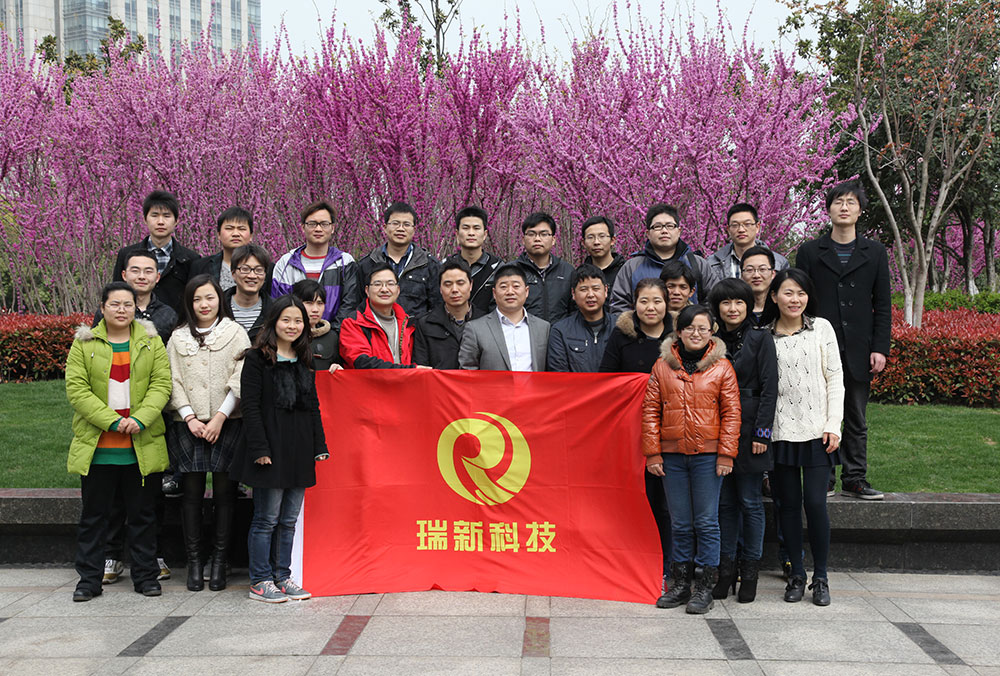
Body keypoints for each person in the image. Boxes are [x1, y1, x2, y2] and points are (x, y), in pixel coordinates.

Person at [66, 281, 171, 601]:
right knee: (94, 518)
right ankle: (88, 580)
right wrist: (112, 421)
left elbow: (162, 385)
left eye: (128, 304)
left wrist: (140, 419)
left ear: (135, 308)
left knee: (143, 517)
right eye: (115, 304)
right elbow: (77, 390)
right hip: (98, 448)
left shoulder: (152, 342)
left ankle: (146, 577)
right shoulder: (84, 344)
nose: (122, 310)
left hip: (141, 446)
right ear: (102, 307)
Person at [796, 181, 890, 500]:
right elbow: (800, 300)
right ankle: (824, 477)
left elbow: (883, 304)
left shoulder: (875, 252)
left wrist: (879, 348)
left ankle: (855, 477)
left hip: (859, 348)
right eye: (838, 202)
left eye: (851, 202)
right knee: (821, 414)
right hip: (818, 347)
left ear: (860, 210)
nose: (844, 207)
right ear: (829, 209)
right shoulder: (810, 252)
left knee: (856, 417)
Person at [642, 304, 740, 614]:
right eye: (689, 328)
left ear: (712, 331)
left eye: (702, 328)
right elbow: (650, 411)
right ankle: (681, 584)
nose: (696, 334)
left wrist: (726, 453)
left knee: (707, 523)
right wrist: (653, 452)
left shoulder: (722, 367)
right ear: (679, 331)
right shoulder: (662, 366)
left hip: (708, 457)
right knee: (681, 522)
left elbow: (732, 413)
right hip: (672, 456)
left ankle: (705, 587)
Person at [230, 296, 329, 603]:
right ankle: (260, 581)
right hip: (269, 449)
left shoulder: (304, 358)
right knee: (266, 519)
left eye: (298, 321)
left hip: (299, 450)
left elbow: (312, 406)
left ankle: (282, 576)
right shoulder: (257, 359)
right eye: (286, 320)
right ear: (273, 322)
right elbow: (250, 407)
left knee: (288, 520)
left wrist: (319, 445)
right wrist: (259, 448)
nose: (292, 326)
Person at [92, 250, 176, 584]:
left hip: (150, 416)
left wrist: (144, 414)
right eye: (135, 270)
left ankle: (152, 556)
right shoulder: (107, 313)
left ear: (158, 277)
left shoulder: (167, 314)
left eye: (149, 271)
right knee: (112, 494)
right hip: (109, 417)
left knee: (150, 492)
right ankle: (111, 554)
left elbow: (162, 374)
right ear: (124, 274)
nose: (142, 276)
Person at [763, 268, 844, 606]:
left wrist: (833, 424)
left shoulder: (821, 328)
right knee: (788, 506)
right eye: (788, 292)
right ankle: (796, 573)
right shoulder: (764, 335)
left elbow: (835, 378)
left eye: (801, 293)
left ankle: (821, 577)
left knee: (815, 503)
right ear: (774, 297)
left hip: (817, 433)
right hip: (781, 433)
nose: (795, 299)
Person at [165, 274, 250, 592]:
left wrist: (219, 418)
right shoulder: (178, 337)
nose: (204, 304)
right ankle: (194, 562)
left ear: (220, 300)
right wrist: (189, 417)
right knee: (191, 494)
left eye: (210, 297)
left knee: (226, 494)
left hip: (227, 422)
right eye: (197, 299)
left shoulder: (235, 333)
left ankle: (219, 562)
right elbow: (171, 379)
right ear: (189, 303)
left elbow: (241, 376)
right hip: (188, 424)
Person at [599, 277, 673, 590]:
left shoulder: (679, 336)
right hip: (630, 431)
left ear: (667, 303)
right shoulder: (622, 336)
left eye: (657, 301)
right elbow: (606, 381)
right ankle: (633, 562)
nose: (650, 307)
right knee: (634, 498)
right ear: (634, 304)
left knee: (666, 504)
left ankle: (668, 565)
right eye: (644, 301)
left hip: (672, 431)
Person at [707, 278, 777, 603]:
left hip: (752, 431)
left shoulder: (761, 338)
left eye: (739, 302)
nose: (732, 309)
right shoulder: (711, 340)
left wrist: (763, 432)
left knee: (750, 502)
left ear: (749, 306)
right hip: (717, 428)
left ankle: (750, 574)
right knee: (725, 504)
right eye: (726, 302)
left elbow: (771, 388)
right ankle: (725, 571)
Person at [610, 203, 719, 314]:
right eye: (658, 226)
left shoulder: (697, 264)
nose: (664, 231)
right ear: (648, 233)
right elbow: (619, 305)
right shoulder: (632, 267)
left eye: (670, 226)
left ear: (679, 231)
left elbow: (714, 300)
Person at [270, 200, 361, 330]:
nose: (318, 229)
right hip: (294, 335)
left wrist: (331, 334)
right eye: (312, 224)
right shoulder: (286, 263)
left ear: (332, 228)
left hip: (335, 336)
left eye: (324, 224)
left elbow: (350, 303)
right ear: (303, 227)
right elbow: (280, 304)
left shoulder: (344, 262)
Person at [112, 190, 199, 312]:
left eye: (167, 216)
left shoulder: (190, 259)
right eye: (154, 215)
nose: (160, 222)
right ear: (145, 219)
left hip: (174, 322)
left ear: (176, 221)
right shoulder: (127, 255)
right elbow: (116, 292)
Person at [459, 264, 550, 371]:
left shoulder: (543, 328)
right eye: (503, 287)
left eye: (516, 286)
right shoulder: (476, 329)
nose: (510, 292)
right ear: (494, 293)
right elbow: (467, 372)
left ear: (526, 291)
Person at [357, 201, 440, 318]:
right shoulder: (368, 263)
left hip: (416, 328)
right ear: (385, 227)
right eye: (395, 223)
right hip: (375, 327)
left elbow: (437, 307)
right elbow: (358, 304)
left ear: (414, 230)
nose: (401, 229)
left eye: (406, 224)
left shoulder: (429, 264)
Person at [339, 264, 423, 369]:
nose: (384, 289)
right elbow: (362, 362)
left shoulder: (408, 323)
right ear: (367, 290)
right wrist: (409, 370)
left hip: (407, 379)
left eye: (390, 284)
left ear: (398, 290)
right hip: (370, 380)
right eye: (377, 284)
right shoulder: (353, 323)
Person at [413, 259, 486, 369]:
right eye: (448, 284)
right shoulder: (425, 324)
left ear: (471, 285)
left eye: (460, 283)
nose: (454, 290)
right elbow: (421, 367)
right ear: (440, 288)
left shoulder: (485, 321)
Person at [547, 264, 614, 372]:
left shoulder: (620, 328)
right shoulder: (561, 331)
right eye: (583, 289)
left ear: (606, 291)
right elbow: (559, 374)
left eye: (596, 289)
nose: (590, 295)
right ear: (573, 293)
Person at [513, 212, 575, 323]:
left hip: (560, 333)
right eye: (531, 234)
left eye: (544, 234)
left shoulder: (567, 271)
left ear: (553, 239)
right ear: (523, 240)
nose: (537, 239)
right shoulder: (512, 271)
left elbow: (575, 309)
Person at [707, 203, 789, 281]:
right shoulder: (712, 263)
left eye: (747, 224)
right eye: (735, 225)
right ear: (728, 229)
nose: (741, 230)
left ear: (757, 227)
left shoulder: (779, 263)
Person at [446, 206, 502, 313]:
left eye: (476, 228)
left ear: (485, 234)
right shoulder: (445, 266)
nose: (471, 233)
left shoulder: (497, 267)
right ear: (457, 234)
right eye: (466, 228)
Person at [190, 206, 255, 291]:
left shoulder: (263, 269)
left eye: (241, 229)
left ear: (251, 236)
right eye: (229, 228)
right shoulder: (200, 267)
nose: (235, 234)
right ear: (219, 235)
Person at [226, 244, 273, 342]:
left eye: (259, 270)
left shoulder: (274, 310)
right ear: (233, 273)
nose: (252, 276)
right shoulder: (219, 308)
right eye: (245, 269)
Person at [292, 279, 341, 370]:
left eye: (320, 303)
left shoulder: (332, 337)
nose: (315, 309)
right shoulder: (288, 335)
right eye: (309, 303)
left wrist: (338, 369)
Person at [580, 215, 626, 289]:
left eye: (602, 236)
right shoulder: (580, 274)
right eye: (590, 237)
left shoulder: (625, 271)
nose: (596, 242)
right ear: (583, 243)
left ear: (612, 240)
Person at [739, 246, 778, 325]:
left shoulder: (781, 308)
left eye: (762, 269)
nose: (756, 275)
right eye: (750, 270)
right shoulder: (736, 310)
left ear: (773, 274)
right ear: (742, 275)